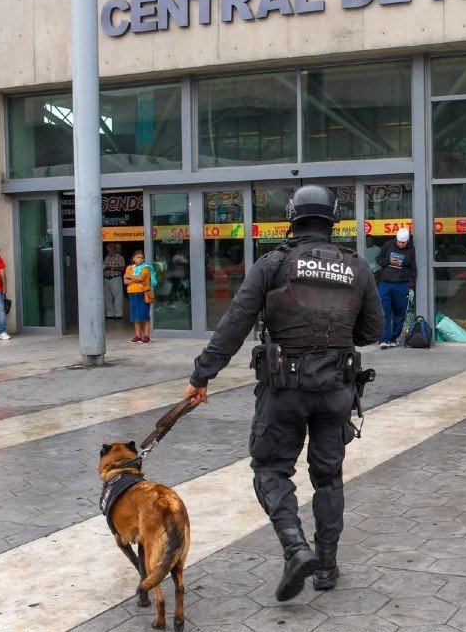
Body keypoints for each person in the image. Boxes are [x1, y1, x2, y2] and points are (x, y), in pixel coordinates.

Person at [182, 185, 383, 602]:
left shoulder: (272, 264)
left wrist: (202, 375)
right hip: (335, 391)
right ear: (332, 219)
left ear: (292, 218)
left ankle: (295, 550)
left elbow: (236, 322)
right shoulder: (358, 268)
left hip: (284, 389)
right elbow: (371, 332)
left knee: (271, 469)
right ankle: (325, 568)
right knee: (328, 477)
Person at [375, 227, 416, 349]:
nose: (401, 244)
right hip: (386, 283)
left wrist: (410, 286)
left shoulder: (411, 250)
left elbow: (413, 270)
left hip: (402, 284)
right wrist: (388, 261)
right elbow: (378, 259)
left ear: (408, 241)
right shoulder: (388, 245)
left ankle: (394, 338)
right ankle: (383, 339)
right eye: (399, 242)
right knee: (384, 312)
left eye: (403, 242)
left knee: (400, 313)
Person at [123, 250, 154, 343]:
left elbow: (141, 278)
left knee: (144, 315)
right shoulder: (129, 267)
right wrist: (136, 279)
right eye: (138, 257)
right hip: (132, 294)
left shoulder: (146, 268)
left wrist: (130, 277)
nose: (140, 259)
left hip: (142, 293)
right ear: (133, 259)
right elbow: (125, 281)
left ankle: (146, 336)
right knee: (135, 316)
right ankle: (138, 335)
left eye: (142, 257)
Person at [103, 243, 126, 320]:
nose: (109, 250)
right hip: (107, 278)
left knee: (117, 296)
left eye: (110, 248)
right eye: (108, 249)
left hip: (115, 278)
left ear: (114, 249)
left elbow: (122, 268)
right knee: (107, 297)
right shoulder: (107, 257)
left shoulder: (119, 257)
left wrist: (111, 268)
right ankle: (110, 314)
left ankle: (118, 314)